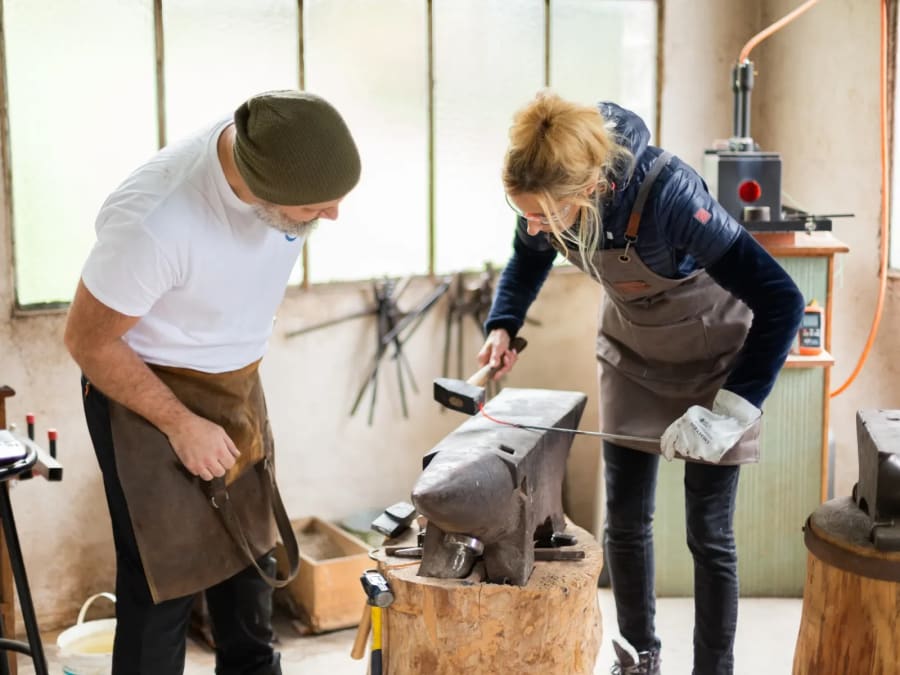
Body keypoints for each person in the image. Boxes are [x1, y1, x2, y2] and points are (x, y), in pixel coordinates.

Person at [478, 91, 804, 675]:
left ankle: (714, 668)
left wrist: (735, 408)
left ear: (591, 188)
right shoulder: (546, 195)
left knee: (708, 531)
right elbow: (527, 258)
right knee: (625, 520)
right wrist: (503, 324)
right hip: (632, 352)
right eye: (521, 211)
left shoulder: (670, 196)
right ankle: (638, 656)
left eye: (541, 214)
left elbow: (782, 299)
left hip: (712, 358)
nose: (531, 226)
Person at [64, 90, 361, 675]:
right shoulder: (155, 222)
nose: (332, 217)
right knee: (163, 583)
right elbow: (88, 341)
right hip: (147, 395)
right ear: (261, 189)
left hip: (237, 383)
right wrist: (179, 423)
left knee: (250, 567)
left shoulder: (277, 149)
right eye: (316, 207)